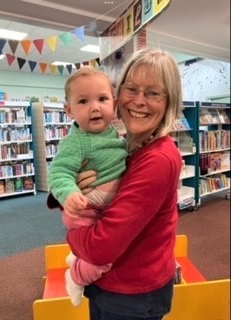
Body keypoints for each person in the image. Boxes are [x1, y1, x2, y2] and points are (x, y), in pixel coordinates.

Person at [67, 48, 183, 320]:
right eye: (132, 89)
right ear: (119, 96)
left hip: (130, 294)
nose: (139, 101)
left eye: (154, 93)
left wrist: (72, 235)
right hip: (120, 284)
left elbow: (101, 248)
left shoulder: (158, 158)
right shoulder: (126, 145)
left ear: (170, 101)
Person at [47, 66, 127, 306]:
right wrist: (69, 193)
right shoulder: (77, 142)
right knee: (105, 255)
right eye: (83, 101)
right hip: (85, 210)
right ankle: (75, 277)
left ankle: (77, 258)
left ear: (113, 103)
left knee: (103, 246)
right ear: (69, 110)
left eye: (102, 99)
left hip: (103, 208)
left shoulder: (115, 133)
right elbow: (59, 172)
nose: (95, 107)